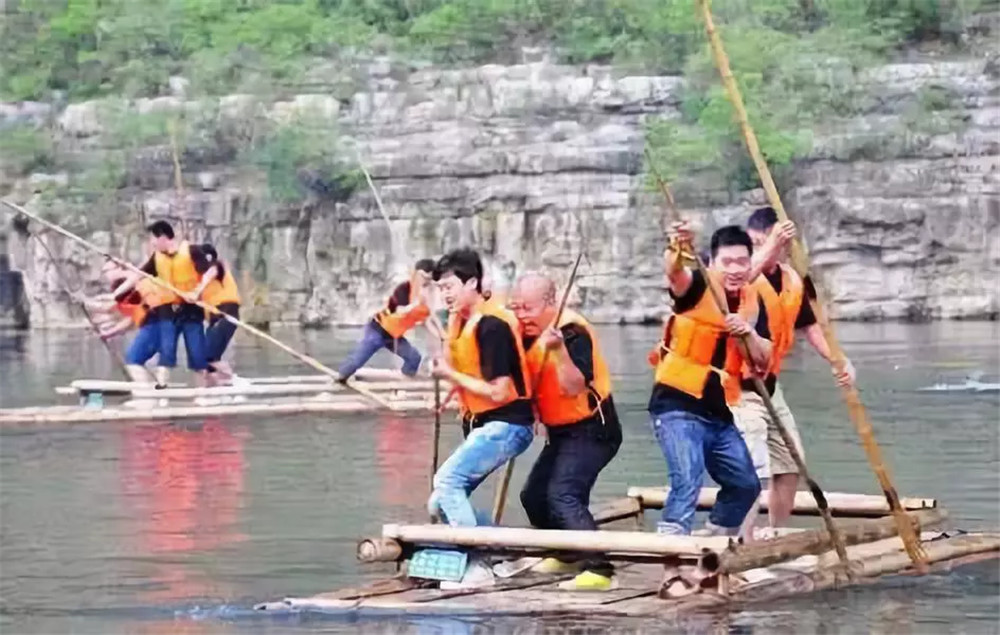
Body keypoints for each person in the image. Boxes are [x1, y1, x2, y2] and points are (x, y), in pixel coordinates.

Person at [736, 207, 857, 530]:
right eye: (773, 241)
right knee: (750, 471)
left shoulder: (792, 278)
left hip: (771, 386)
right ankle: (740, 545)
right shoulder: (735, 272)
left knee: (790, 465)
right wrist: (770, 245)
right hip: (737, 389)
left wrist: (838, 359)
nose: (781, 249)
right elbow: (737, 284)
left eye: (785, 244)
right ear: (754, 240)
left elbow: (811, 325)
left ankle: (773, 533)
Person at [648, 223, 769, 539]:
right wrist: (678, 246)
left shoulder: (750, 300)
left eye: (742, 262)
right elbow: (675, 274)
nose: (735, 269)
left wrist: (748, 332)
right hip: (676, 403)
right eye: (727, 262)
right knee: (687, 478)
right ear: (712, 262)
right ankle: (671, 560)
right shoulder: (699, 285)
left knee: (746, 485)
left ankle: (713, 543)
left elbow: (763, 358)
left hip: (717, 412)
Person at [427, 248, 534, 589]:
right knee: (439, 502)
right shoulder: (462, 321)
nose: (445, 294)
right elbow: (467, 372)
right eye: (440, 288)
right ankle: (508, 552)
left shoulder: (491, 326)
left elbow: (501, 392)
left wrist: (450, 376)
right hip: (484, 423)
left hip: (507, 424)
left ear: (472, 282)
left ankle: (478, 567)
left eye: (450, 287)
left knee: (446, 483)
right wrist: (451, 391)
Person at [510, 273, 622, 592]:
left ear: (551, 303)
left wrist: (558, 350)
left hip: (594, 428)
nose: (521, 315)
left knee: (563, 494)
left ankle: (600, 570)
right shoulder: (522, 333)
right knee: (533, 497)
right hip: (559, 432)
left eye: (528, 308)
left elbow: (574, 386)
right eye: (516, 307)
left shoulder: (572, 332)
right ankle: (569, 551)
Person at [112, 221, 210, 388]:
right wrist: (115, 294)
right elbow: (137, 275)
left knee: (197, 356)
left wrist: (197, 292)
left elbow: (209, 273)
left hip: (192, 310)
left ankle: (201, 395)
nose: (152, 244)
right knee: (166, 354)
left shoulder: (192, 252)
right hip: (168, 312)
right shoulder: (157, 258)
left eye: (153, 240)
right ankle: (162, 390)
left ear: (163, 237)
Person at [337, 259, 436, 381]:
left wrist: (442, 335)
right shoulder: (404, 288)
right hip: (378, 329)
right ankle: (340, 378)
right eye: (423, 277)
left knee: (414, 358)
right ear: (416, 274)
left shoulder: (426, 295)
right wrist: (416, 304)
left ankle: (406, 378)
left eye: (428, 279)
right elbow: (399, 311)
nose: (425, 282)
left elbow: (427, 320)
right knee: (357, 360)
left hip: (394, 335)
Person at [193, 244, 243, 386]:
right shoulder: (202, 279)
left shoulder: (216, 267)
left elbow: (212, 272)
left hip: (226, 314)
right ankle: (216, 391)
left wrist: (197, 291)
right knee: (208, 363)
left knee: (207, 358)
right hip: (214, 319)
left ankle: (236, 382)